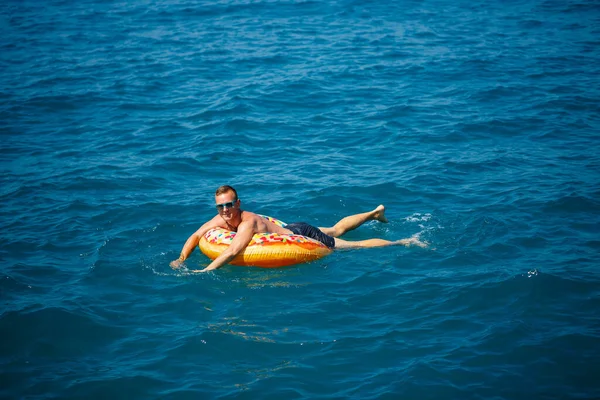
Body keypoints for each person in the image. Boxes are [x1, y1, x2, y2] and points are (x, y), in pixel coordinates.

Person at [170, 185, 426, 272]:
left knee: (349, 245)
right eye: (220, 206)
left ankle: (405, 242)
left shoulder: (246, 222)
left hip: (300, 235)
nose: (224, 210)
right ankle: (374, 213)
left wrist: (205, 271)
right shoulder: (221, 220)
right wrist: (181, 259)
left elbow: (232, 251)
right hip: (291, 227)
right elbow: (196, 235)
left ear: (238, 203)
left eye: (228, 205)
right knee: (336, 229)